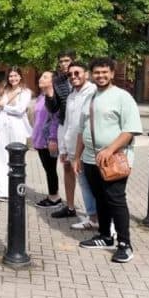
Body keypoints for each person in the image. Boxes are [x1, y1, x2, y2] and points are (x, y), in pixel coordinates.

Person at [75, 57, 142, 263]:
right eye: (97, 73)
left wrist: (110, 149)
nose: (101, 76)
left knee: (115, 199)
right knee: (100, 199)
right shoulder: (89, 97)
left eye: (105, 72)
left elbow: (130, 129)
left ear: (112, 73)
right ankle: (105, 236)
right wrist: (77, 156)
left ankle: (124, 244)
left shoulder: (123, 97)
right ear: (91, 75)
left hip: (113, 158)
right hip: (90, 158)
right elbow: (82, 130)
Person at [62, 61, 99, 229]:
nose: (73, 77)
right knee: (84, 184)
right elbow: (69, 123)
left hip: (89, 148)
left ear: (86, 74)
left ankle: (104, 221)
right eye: (70, 74)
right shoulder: (71, 95)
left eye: (77, 73)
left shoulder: (93, 92)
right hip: (72, 147)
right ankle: (92, 218)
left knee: (95, 185)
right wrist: (64, 148)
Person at [40, 50, 76, 209]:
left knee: (86, 170)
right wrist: (49, 94)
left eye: (67, 60)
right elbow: (54, 109)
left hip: (81, 129)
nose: (63, 64)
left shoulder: (82, 79)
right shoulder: (58, 81)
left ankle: (96, 213)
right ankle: (70, 207)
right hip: (64, 127)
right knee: (67, 166)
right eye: (61, 61)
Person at [0, 66, 32, 200]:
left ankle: (17, 190)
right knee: (1, 158)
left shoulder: (25, 92)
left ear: (20, 77)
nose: (13, 78)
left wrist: (3, 106)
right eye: (10, 76)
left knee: (17, 160)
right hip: (2, 127)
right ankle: (3, 191)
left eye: (15, 76)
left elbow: (20, 110)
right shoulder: (3, 90)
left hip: (18, 127)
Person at [31, 72, 60, 210]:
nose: (41, 79)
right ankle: (53, 195)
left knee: (51, 169)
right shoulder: (41, 97)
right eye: (41, 76)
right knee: (48, 169)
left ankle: (54, 197)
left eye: (45, 77)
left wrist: (53, 138)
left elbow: (55, 119)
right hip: (39, 139)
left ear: (52, 81)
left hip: (49, 140)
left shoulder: (53, 96)